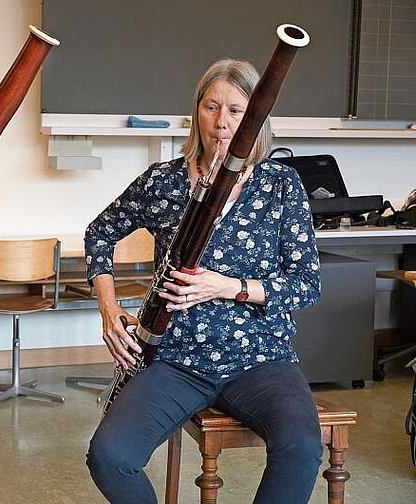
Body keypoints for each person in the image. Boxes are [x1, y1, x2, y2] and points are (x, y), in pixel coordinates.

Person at [84, 59, 323, 504]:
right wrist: (109, 309)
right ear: (196, 111)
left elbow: (307, 283)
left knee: (302, 447)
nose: (222, 122)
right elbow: (99, 233)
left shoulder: (281, 185)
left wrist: (228, 285)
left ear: (256, 117)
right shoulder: (163, 181)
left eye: (236, 110)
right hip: (176, 360)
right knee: (109, 456)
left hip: (262, 357)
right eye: (212, 107)